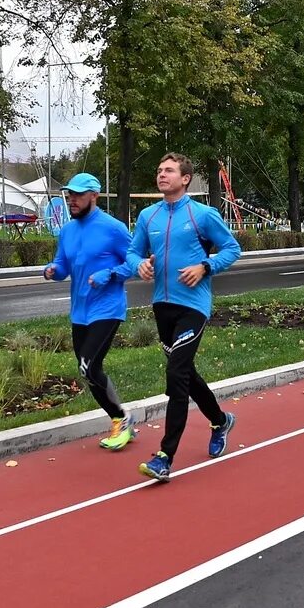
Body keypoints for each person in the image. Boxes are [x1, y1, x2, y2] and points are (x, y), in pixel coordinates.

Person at [90, 152, 243, 482]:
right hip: (163, 306)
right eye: (160, 170)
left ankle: (165, 456)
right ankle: (220, 421)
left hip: (194, 306)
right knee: (185, 372)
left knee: (175, 376)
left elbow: (232, 248)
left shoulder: (203, 215)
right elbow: (132, 252)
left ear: (184, 178)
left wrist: (206, 266)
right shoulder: (148, 216)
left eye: (169, 170)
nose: (162, 174)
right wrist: (138, 265)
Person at [43, 173, 138, 450]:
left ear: (94, 196)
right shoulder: (67, 231)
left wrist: (110, 273)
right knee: (87, 371)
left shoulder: (113, 228)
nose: (72, 199)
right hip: (80, 311)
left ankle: (121, 418)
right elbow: (62, 266)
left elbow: (134, 262)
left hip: (107, 309)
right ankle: (121, 419)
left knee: (89, 366)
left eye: (78, 195)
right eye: (69, 194)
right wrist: (51, 271)